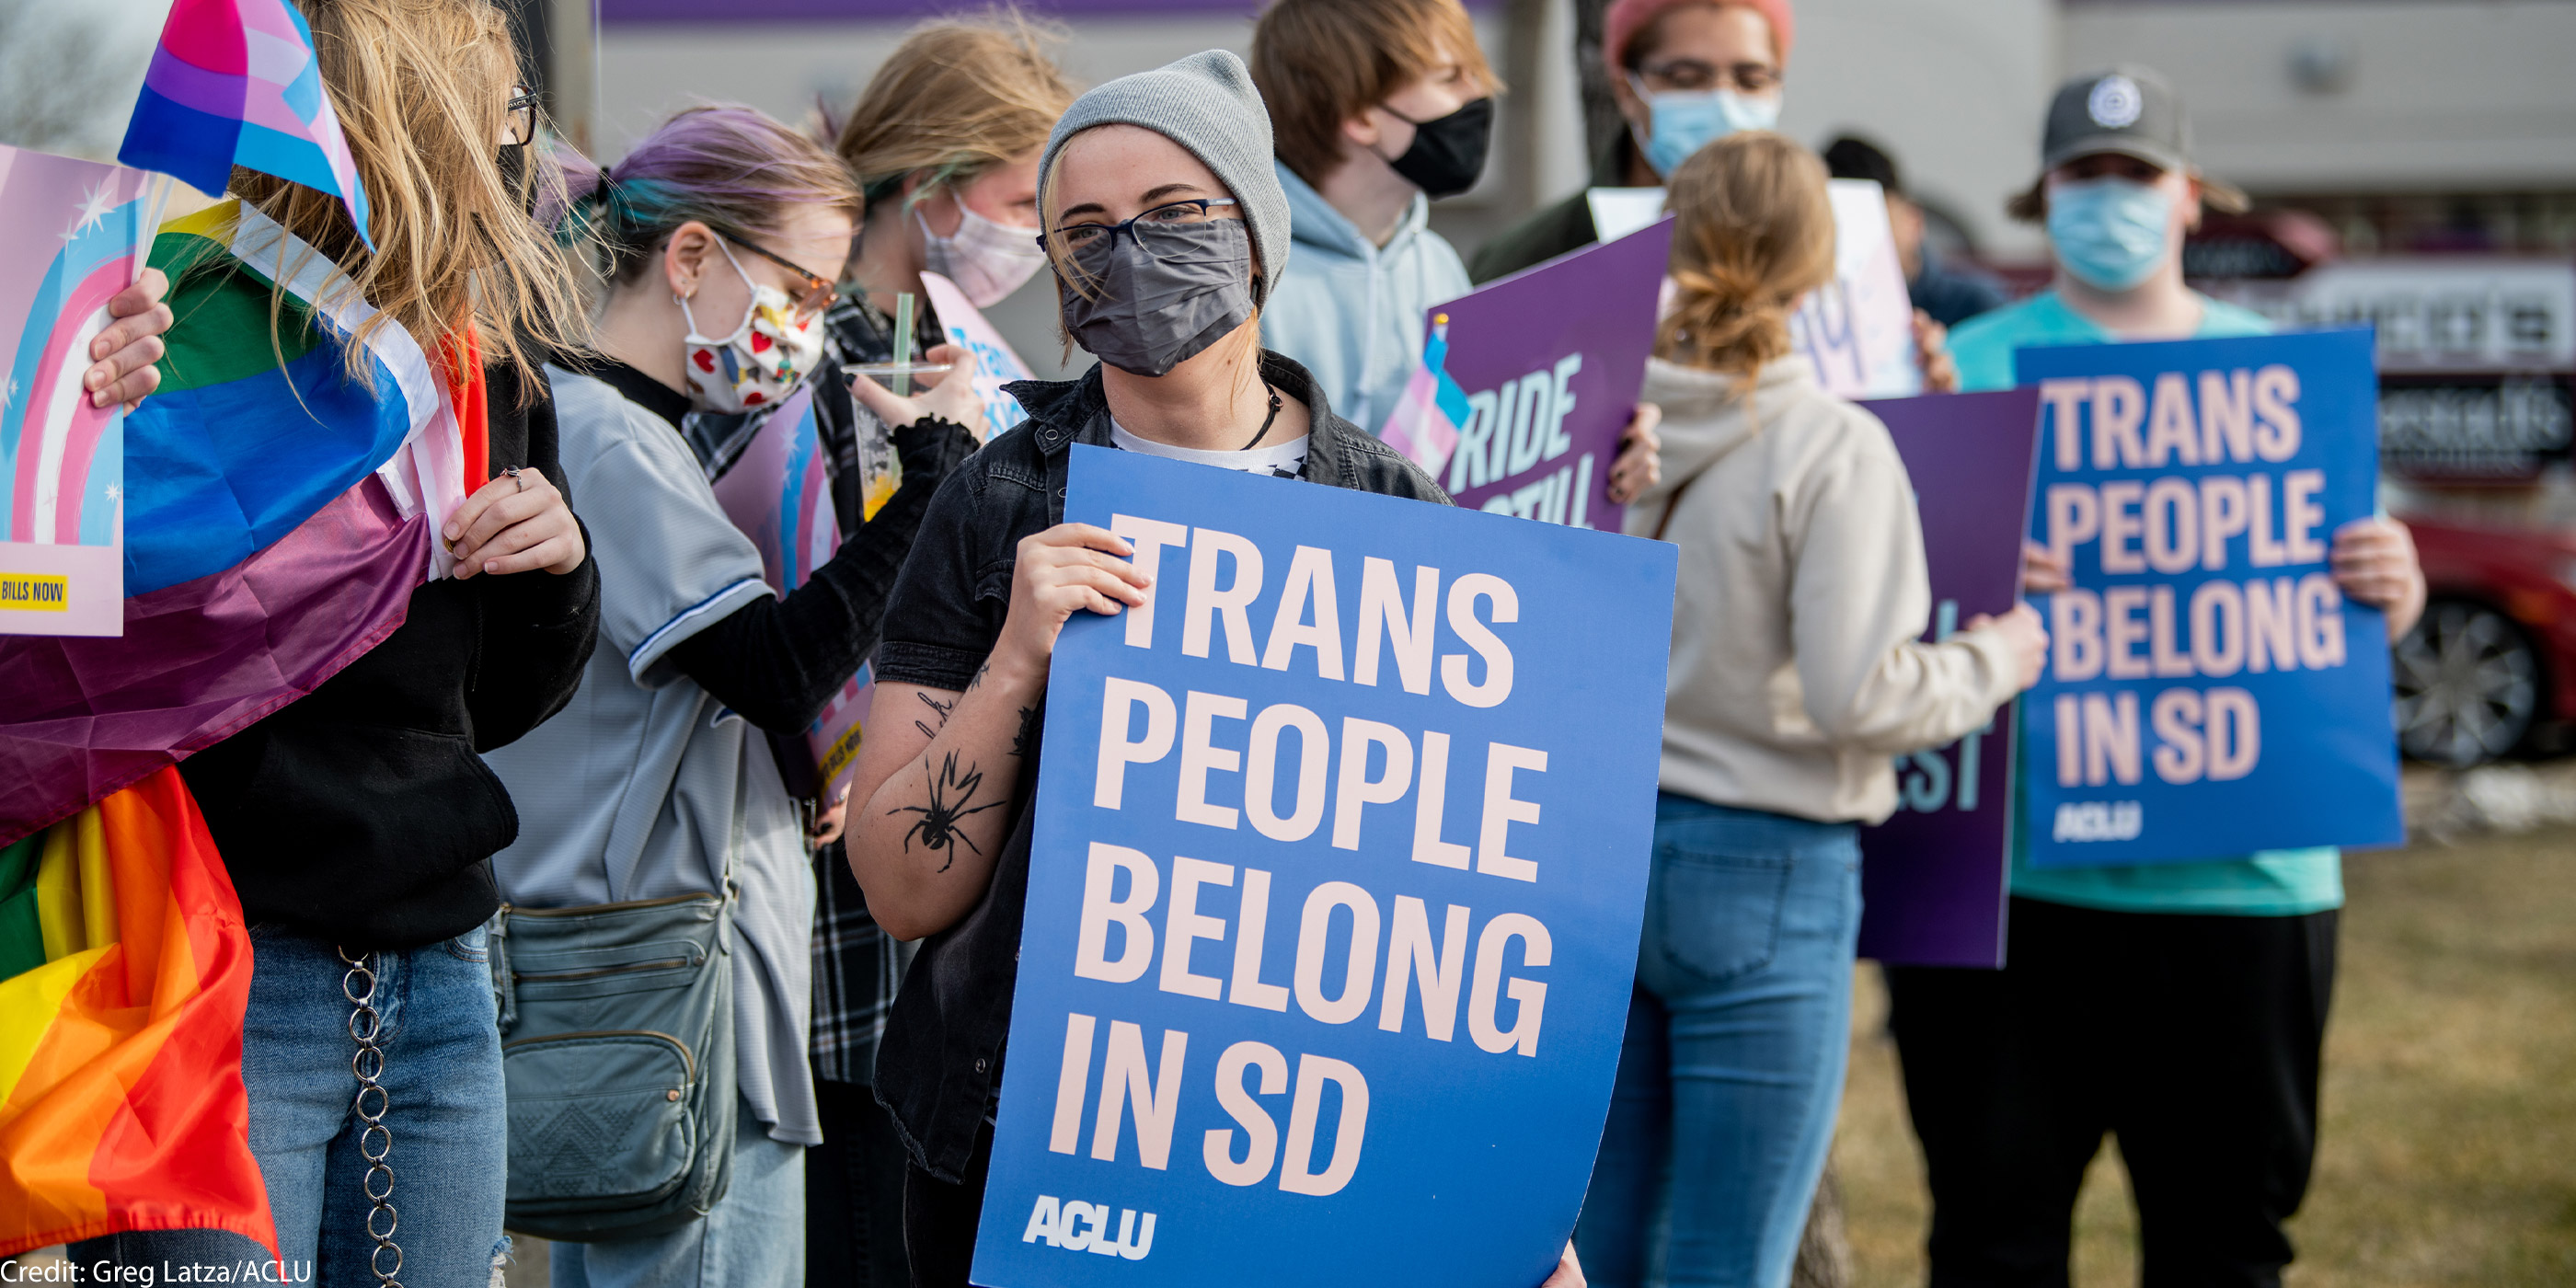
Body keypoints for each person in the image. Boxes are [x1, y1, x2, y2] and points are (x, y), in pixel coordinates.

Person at [838, 50, 1590, 1288]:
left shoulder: (1393, 508)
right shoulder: (997, 500)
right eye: (1083, 228)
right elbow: (903, 892)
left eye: (1174, 215)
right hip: (1026, 1155)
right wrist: (1018, 660)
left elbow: (1447, 901)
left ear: (1253, 230)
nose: (1128, 250)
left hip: (1299, 1167)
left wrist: (1520, 1216)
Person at [72, 0, 601, 1281]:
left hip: (442, 976)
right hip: (207, 981)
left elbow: (492, 701)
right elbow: (68, 671)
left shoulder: (476, 362)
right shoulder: (160, 316)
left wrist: (556, 572)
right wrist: (64, 434)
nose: (513, 140)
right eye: (498, 105)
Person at [1887, 67, 2428, 1288]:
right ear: (2045, 197)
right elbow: (1874, 600)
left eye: (2139, 176)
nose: (2112, 199)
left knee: (2228, 1248)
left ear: (2193, 198)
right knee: (1991, 1243)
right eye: (2087, 175)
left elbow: (2344, 589)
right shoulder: (1961, 370)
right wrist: (1959, 558)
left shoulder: (2282, 379)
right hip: (2011, 890)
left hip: (2249, 887)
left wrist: (2396, 586)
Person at [478, 105, 982, 1288]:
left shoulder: (617, 425)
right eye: (798, 291)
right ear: (692, 257)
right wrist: (934, 488)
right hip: (674, 989)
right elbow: (766, 664)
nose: (805, 332)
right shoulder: (604, 431)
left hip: (668, 984)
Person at [1584, 132, 2048, 1288]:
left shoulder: (1596, 423)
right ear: (1823, 261)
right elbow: (1858, 693)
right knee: (1725, 1254)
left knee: (1607, 1243)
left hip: (1607, 859)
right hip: (1769, 867)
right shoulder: (1832, 445)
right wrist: (1995, 657)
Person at [763, 17, 1075, 1285]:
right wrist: (818, 738)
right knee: (851, 1216)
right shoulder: (798, 352)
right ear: (937, 186)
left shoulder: (978, 361)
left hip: (944, 851)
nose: (1036, 245)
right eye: (1018, 202)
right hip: (832, 855)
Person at [1249, 0, 1498, 431]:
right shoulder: (1254, 285)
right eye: (1450, 77)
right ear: (1362, 115)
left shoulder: (1437, 263)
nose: (1478, 94)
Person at [1470, 0, 1792, 283]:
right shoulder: (1533, 261)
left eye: (1752, 81)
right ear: (1626, 90)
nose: (1724, 101)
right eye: (1686, 79)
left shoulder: (1816, 248)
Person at [1821, 134, 2007, 328]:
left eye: (1871, 223)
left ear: (1913, 221)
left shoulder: (1977, 308)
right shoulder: (1812, 313)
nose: (1855, 243)